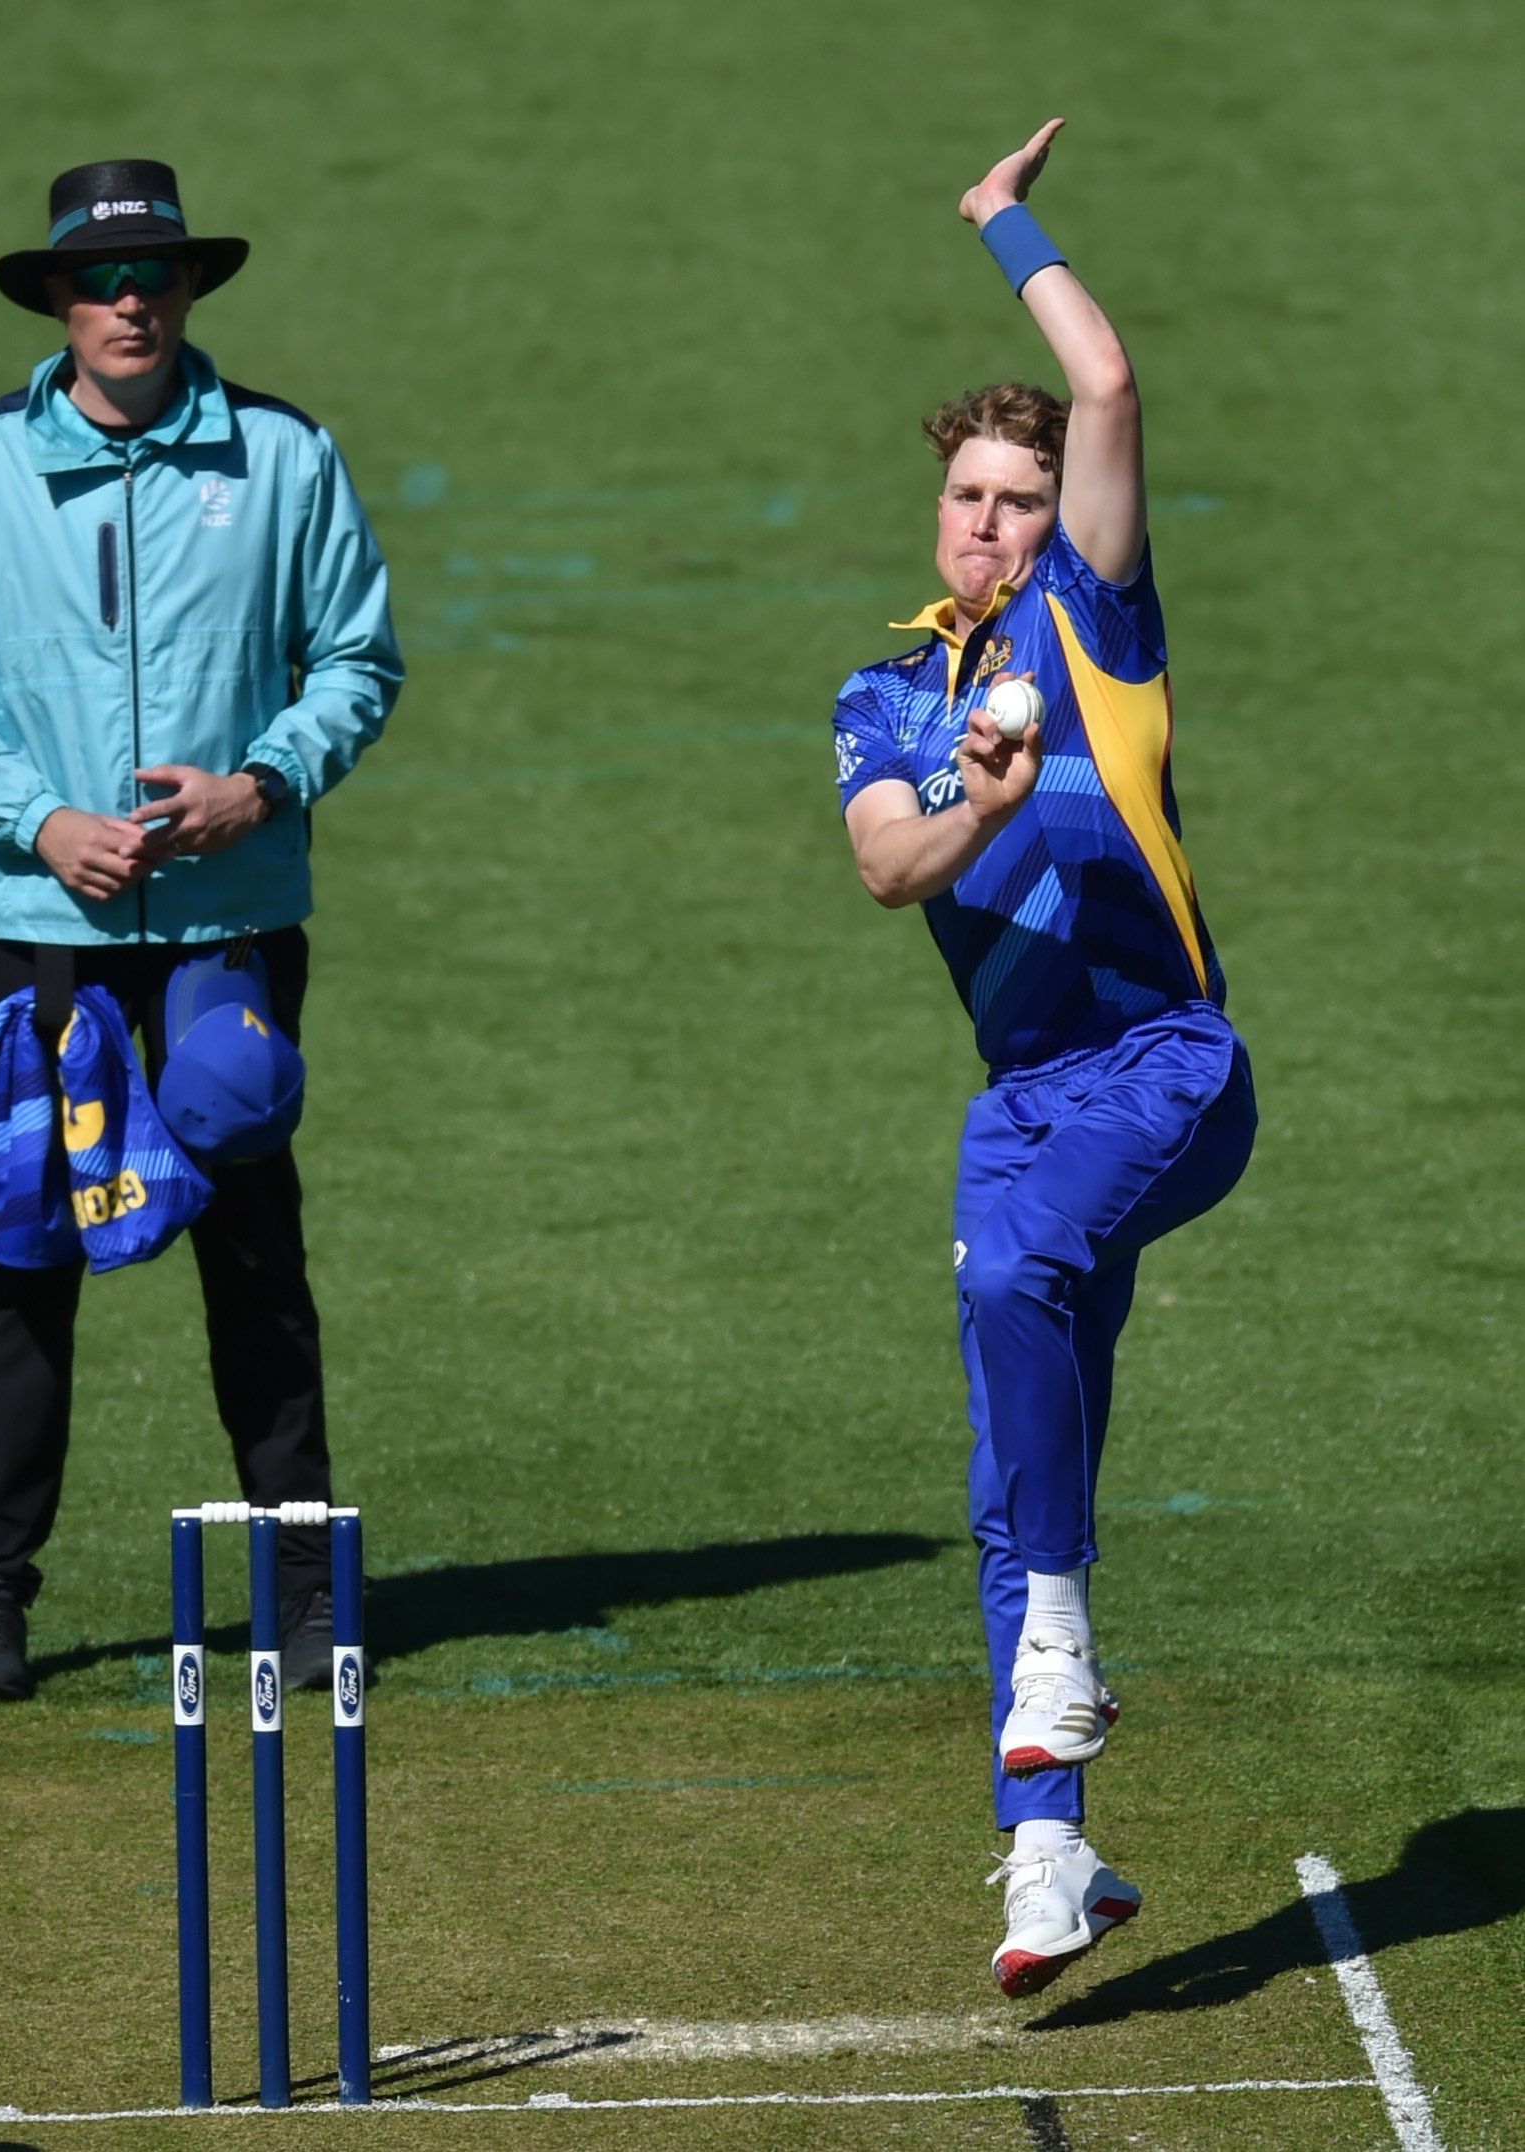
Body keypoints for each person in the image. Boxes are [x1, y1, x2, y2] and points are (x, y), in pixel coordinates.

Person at [0, 160, 402, 1703]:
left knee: (252, 1238)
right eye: (101, 280)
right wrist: (41, 822)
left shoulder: (285, 457)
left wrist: (263, 782)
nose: (129, 301)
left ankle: (305, 1589)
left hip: (233, 917)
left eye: (155, 276)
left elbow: (356, 658)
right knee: (24, 1244)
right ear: (54, 296)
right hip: (46, 923)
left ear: (188, 291)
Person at [832, 121, 1257, 1995]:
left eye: (1019, 497)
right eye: (971, 499)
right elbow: (884, 866)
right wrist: (981, 806)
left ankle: (1064, 1643)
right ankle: (1048, 1862)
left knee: (1016, 1273)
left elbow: (1107, 375)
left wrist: (1003, 221)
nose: (994, 523)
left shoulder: (1098, 611)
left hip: (1168, 1066)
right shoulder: (891, 696)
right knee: (1019, 1461)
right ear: (934, 513)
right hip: (1023, 1107)